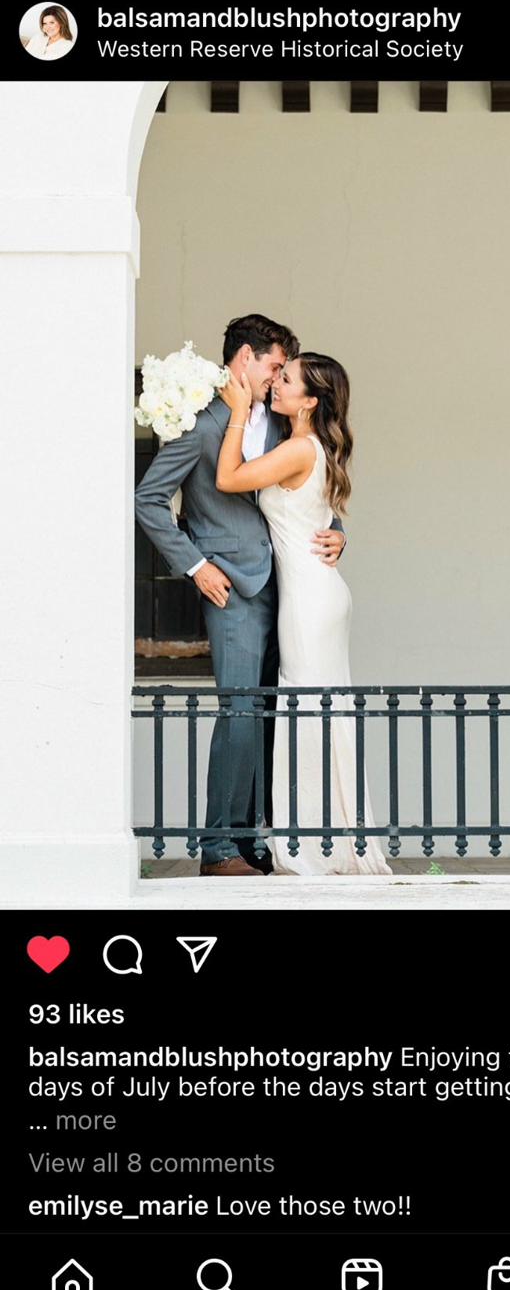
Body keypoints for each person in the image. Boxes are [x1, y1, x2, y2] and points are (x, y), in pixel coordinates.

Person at [134, 314, 346, 877]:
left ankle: (259, 843)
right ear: (244, 359)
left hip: (291, 588)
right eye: (274, 365)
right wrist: (196, 565)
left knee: (273, 713)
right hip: (231, 587)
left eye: (284, 371)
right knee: (241, 711)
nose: (278, 378)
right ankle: (220, 849)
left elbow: (310, 484)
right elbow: (149, 499)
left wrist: (337, 534)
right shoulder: (201, 423)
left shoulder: (281, 424)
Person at [217, 353, 391, 875]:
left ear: (310, 401)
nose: (276, 385)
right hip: (319, 593)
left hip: (310, 602)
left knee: (307, 711)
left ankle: (311, 846)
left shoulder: (297, 448)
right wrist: (340, 535)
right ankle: (332, 841)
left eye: (286, 380)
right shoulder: (310, 447)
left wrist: (237, 411)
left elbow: (229, 478)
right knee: (321, 712)